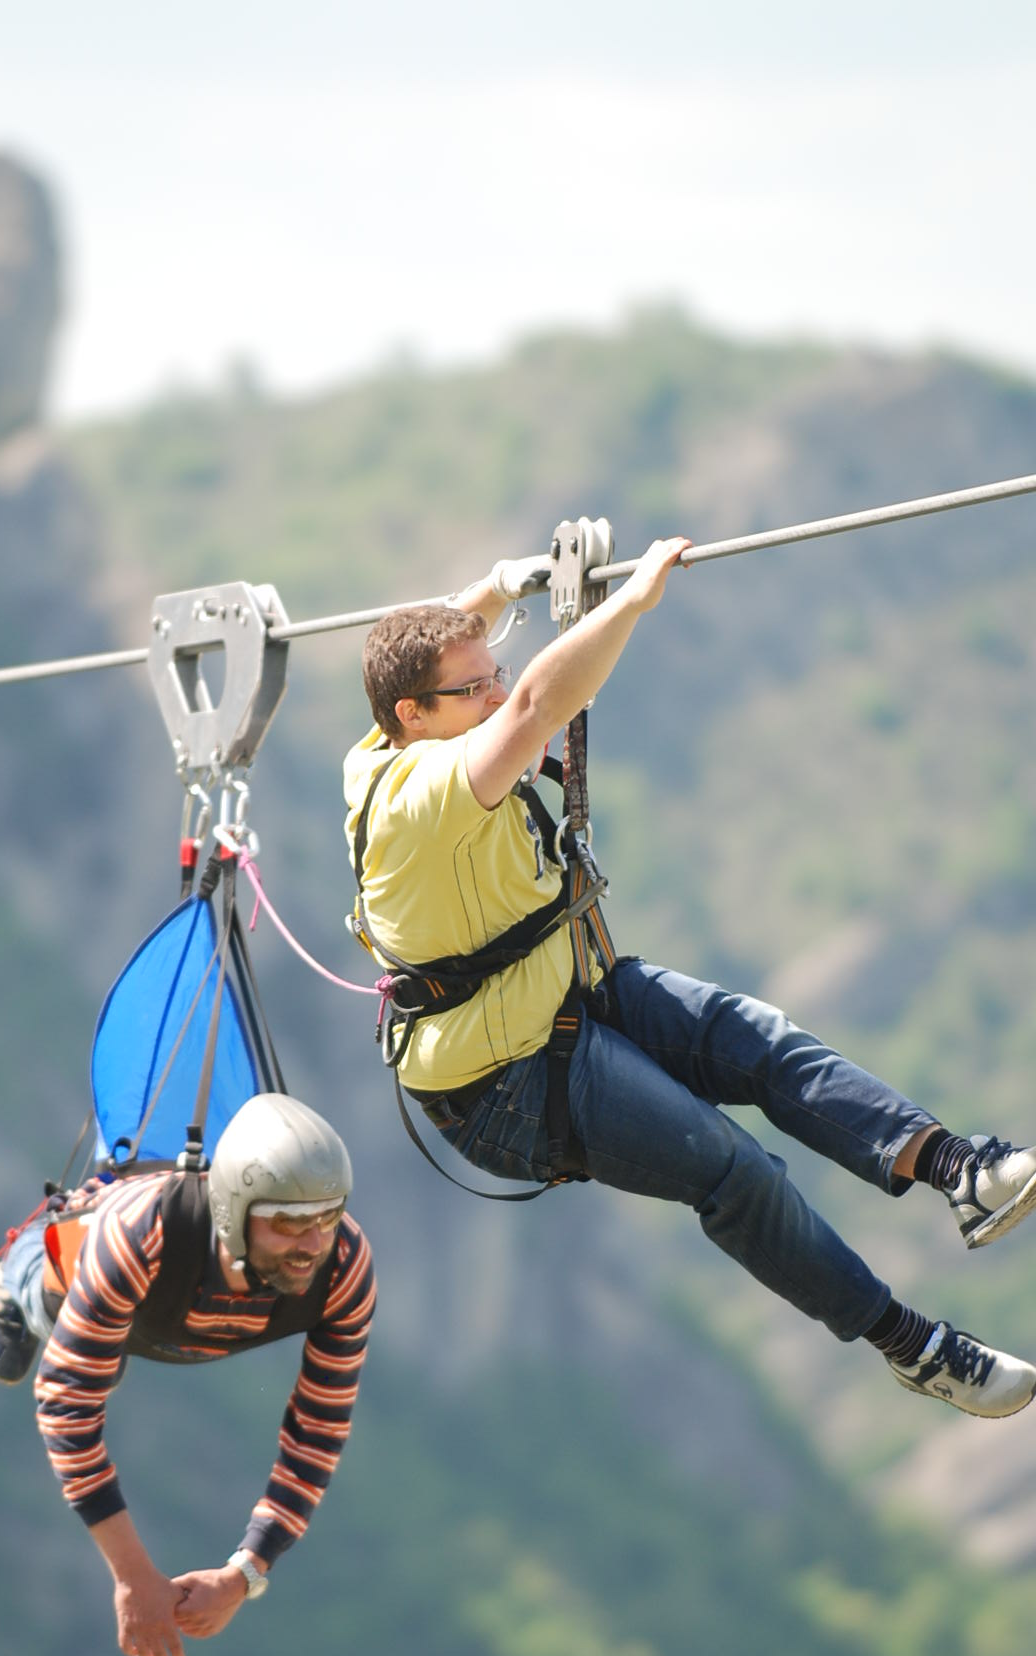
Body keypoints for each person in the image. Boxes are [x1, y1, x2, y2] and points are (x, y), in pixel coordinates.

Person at [344, 536, 1036, 1419]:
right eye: (468, 688)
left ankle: (956, 1170)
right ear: (412, 715)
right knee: (735, 1172)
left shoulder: (379, 742)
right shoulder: (420, 795)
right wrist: (628, 601)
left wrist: (493, 589)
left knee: (762, 1043)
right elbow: (530, 705)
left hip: (566, 993)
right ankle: (913, 1346)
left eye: (491, 671)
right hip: (502, 1083)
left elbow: (454, 654)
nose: (488, 692)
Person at [0, 1093, 375, 1656]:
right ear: (237, 1212)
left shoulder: (345, 1266)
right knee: (67, 1332)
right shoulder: (141, 1236)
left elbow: (319, 1430)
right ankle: (18, 1275)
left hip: (164, 1312)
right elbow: (65, 1406)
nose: (312, 1244)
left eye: (327, 1217)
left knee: (105, 1353)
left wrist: (244, 1574)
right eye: (288, 1222)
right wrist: (133, 1578)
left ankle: (104, 1336)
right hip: (86, 1262)